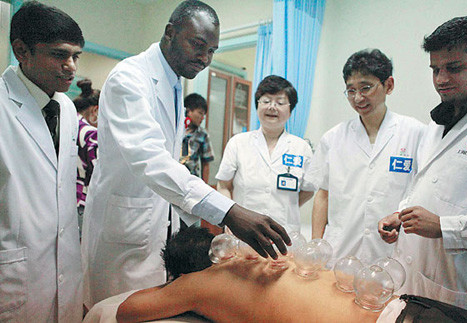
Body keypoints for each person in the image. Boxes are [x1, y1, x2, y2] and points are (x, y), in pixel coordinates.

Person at [81, 0, 290, 307]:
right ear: (170, 32)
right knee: (114, 311)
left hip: (156, 226)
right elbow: (151, 160)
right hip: (123, 233)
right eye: (198, 44)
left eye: (212, 51)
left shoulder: (173, 82)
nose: (205, 58)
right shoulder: (130, 78)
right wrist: (229, 211)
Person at [378, 16, 467, 321]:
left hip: (465, 294)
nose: (441, 79)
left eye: (454, 68)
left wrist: (445, 227)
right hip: (417, 282)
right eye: (435, 69)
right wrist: (401, 213)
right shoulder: (439, 119)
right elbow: (427, 184)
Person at [0, 1, 84, 322]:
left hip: (64, 269)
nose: (72, 66)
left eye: (76, 56)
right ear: (22, 51)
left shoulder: (66, 108)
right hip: (14, 274)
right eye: (60, 55)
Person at [113, 227, 384, 323]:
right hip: (395, 304)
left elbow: (125, 310)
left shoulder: (198, 282)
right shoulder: (262, 256)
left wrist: (173, 285)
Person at [305, 49, 425, 266]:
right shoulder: (332, 138)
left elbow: (423, 192)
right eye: (351, 90)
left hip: (392, 251)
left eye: (366, 88)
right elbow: (323, 195)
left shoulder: (415, 133)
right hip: (341, 250)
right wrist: (316, 243)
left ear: (389, 85)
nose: (358, 98)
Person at [216, 75, 316, 234]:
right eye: (266, 101)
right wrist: (230, 218)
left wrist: (286, 207)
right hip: (242, 233)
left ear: (290, 110)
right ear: (257, 106)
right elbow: (224, 185)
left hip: (285, 233)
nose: (272, 107)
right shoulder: (238, 143)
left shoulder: (302, 148)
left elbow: (308, 190)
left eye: (280, 102)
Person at [73, 78, 99, 234]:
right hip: (80, 203)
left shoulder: (66, 122)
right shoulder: (90, 134)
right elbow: (99, 174)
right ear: (95, 111)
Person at [179, 93, 214, 183]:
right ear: (189, 110)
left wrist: (204, 187)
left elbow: (206, 164)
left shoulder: (202, 134)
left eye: (204, 115)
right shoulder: (176, 129)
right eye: (200, 113)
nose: (202, 118)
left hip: (191, 181)